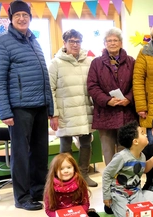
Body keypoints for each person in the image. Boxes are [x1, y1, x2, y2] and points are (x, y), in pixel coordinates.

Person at [0, 0, 53, 211]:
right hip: (19, 108)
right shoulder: (1, 43)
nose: (22, 18)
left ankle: (37, 191)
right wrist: (5, 111)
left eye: (25, 15)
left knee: (40, 153)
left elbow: (45, 77)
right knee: (21, 155)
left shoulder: (34, 41)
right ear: (11, 18)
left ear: (30, 17)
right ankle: (22, 197)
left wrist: (50, 109)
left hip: (40, 106)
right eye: (17, 15)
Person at [48, 29, 97, 187]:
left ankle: (83, 174)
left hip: (84, 110)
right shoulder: (56, 63)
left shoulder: (88, 61)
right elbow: (50, 89)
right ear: (65, 43)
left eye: (78, 41)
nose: (75, 45)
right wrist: (53, 114)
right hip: (65, 112)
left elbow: (94, 85)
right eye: (71, 41)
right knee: (65, 146)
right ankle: (67, 177)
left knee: (86, 143)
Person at [87, 27, 138, 166]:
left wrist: (128, 98)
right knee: (108, 152)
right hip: (105, 113)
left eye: (115, 40)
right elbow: (92, 86)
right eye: (109, 40)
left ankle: (125, 182)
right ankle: (110, 183)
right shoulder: (96, 63)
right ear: (104, 43)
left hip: (126, 112)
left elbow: (137, 83)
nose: (112, 43)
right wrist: (107, 100)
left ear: (121, 43)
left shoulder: (131, 61)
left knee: (126, 150)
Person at [102, 121, 148, 217]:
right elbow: (107, 174)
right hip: (119, 193)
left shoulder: (143, 156)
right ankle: (113, 205)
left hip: (135, 192)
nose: (145, 134)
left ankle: (126, 204)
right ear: (135, 141)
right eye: (142, 133)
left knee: (144, 213)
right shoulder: (121, 157)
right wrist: (106, 196)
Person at [43, 153, 104, 217]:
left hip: (78, 216)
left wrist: (77, 216)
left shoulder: (80, 182)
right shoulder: (50, 187)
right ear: (55, 171)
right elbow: (48, 210)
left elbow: (85, 204)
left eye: (69, 167)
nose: (66, 171)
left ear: (74, 168)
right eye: (61, 169)